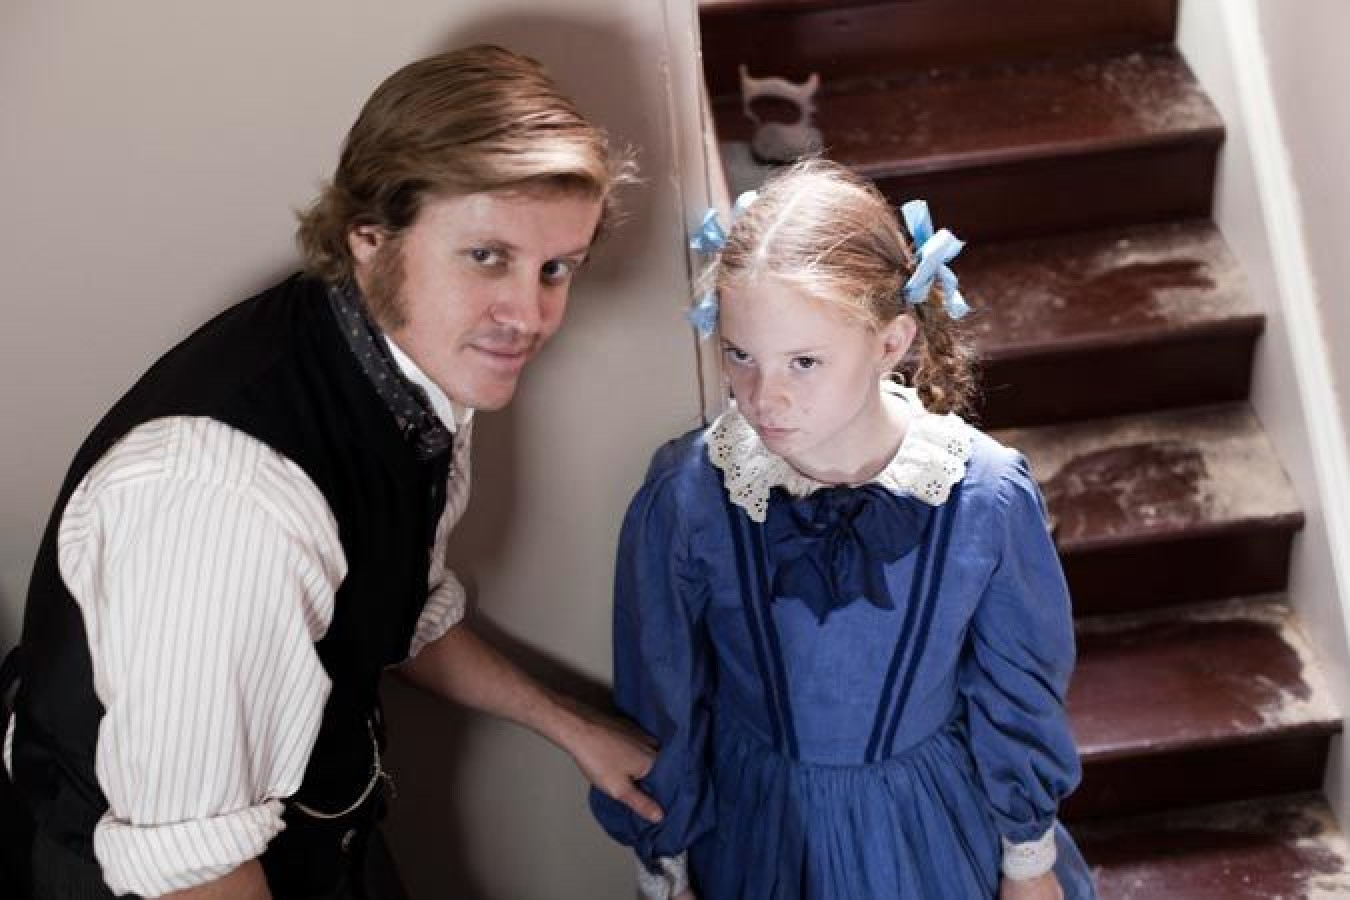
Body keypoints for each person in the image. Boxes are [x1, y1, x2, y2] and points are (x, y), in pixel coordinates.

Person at [0, 44, 662, 900]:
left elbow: (396, 606)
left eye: (556, 268)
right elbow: (193, 873)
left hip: (316, 831)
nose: (530, 315)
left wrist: (573, 728)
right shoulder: (227, 499)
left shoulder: (408, 358)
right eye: (486, 257)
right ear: (370, 238)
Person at [590, 159, 1098, 900]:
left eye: (804, 362)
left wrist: (1027, 865)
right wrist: (666, 869)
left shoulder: (984, 498)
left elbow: (1017, 692)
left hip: (930, 830)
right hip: (755, 833)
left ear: (890, 343)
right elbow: (662, 690)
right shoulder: (689, 494)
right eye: (740, 355)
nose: (765, 397)